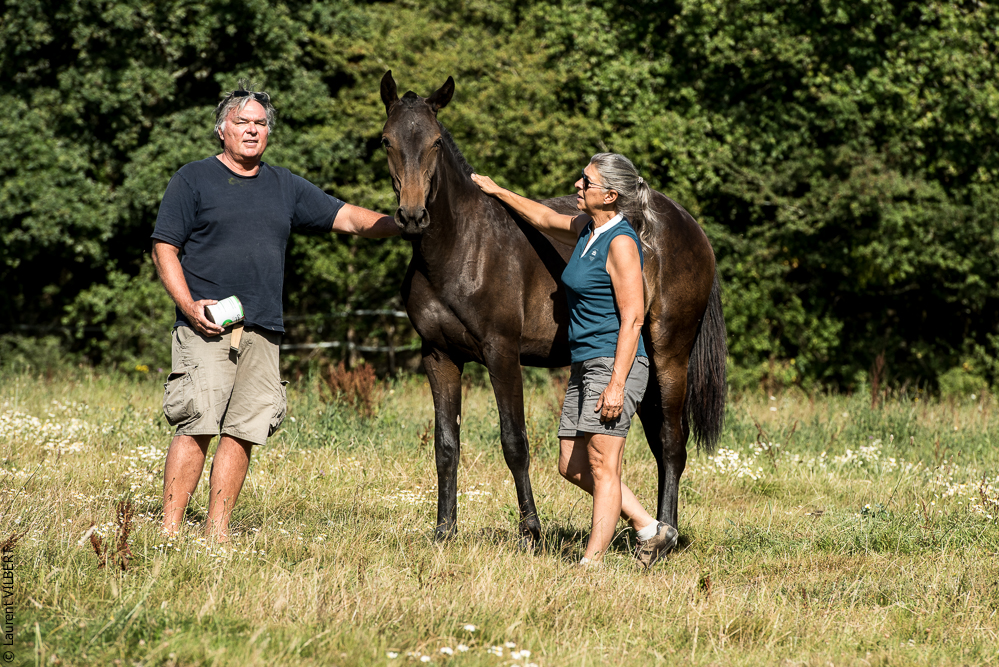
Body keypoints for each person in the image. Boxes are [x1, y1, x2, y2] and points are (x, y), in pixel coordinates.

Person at [152, 82, 399, 540]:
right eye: (242, 122)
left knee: (244, 430)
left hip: (264, 329)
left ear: (269, 132)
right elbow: (164, 247)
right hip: (207, 326)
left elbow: (347, 217)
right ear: (222, 129)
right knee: (198, 423)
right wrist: (188, 306)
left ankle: (216, 533)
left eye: (260, 124)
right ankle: (167, 532)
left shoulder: (284, 185)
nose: (251, 130)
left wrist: (403, 223)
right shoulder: (193, 178)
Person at [471, 154, 677, 568]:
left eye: (587, 181)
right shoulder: (589, 229)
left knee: (603, 467)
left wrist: (617, 383)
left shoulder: (620, 242)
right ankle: (651, 529)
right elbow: (546, 219)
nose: (578, 186)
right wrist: (497, 191)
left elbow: (634, 317)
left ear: (610, 195)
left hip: (614, 364)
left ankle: (591, 565)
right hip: (584, 363)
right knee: (570, 463)